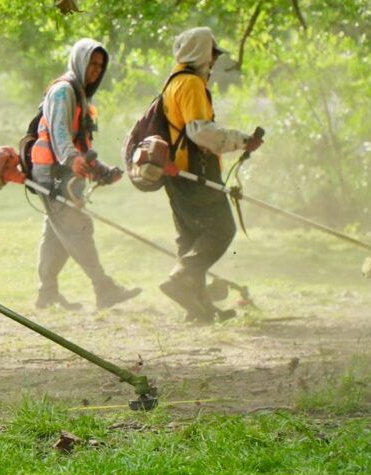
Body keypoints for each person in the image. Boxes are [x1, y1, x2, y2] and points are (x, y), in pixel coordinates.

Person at [158, 27, 262, 324]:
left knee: (191, 238)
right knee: (221, 229)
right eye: (213, 54)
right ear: (202, 53)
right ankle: (182, 277)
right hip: (195, 170)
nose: (214, 61)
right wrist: (242, 140)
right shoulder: (190, 84)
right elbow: (200, 131)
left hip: (178, 175)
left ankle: (199, 309)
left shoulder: (173, 83)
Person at [31, 38, 142, 311]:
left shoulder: (80, 94)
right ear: (79, 61)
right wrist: (71, 159)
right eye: (91, 63)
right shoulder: (63, 91)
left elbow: (80, 144)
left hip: (63, 172)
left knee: (57, 234)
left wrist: (100, 170)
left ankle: (47, 293)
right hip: (54, 172)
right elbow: (59, 132)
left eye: (100, 66)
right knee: (78, 228)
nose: (95, 70)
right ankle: (103, 288)